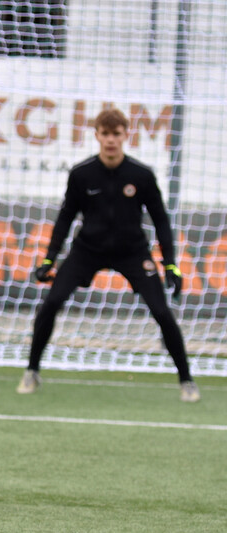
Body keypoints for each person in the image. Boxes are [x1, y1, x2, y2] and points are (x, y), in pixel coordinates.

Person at [17, 107, 199, 403]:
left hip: (133, 251)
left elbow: (161, 220)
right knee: (50, 303)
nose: (111, 140)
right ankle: (32, 371)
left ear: (126, 135)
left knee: (162, 312)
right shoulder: (81, 174)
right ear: (97, 135)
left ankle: (186, 380)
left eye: (117, 134)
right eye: (106, 134)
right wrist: (50, 258)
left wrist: (171, 266)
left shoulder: (141, 175)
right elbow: (65, 218)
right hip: (87, 250)